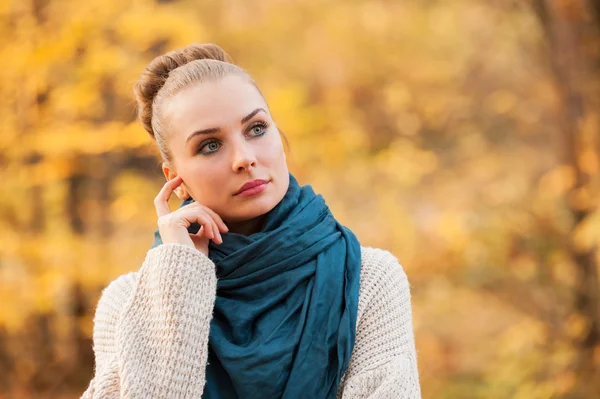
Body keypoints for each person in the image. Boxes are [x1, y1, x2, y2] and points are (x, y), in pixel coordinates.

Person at [81, 43, 421, 399]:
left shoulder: (368, 280)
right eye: (210, 145)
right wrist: (180, 278)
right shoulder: (127, 304)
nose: (244, 158)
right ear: (175, 178)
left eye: (256, 129)